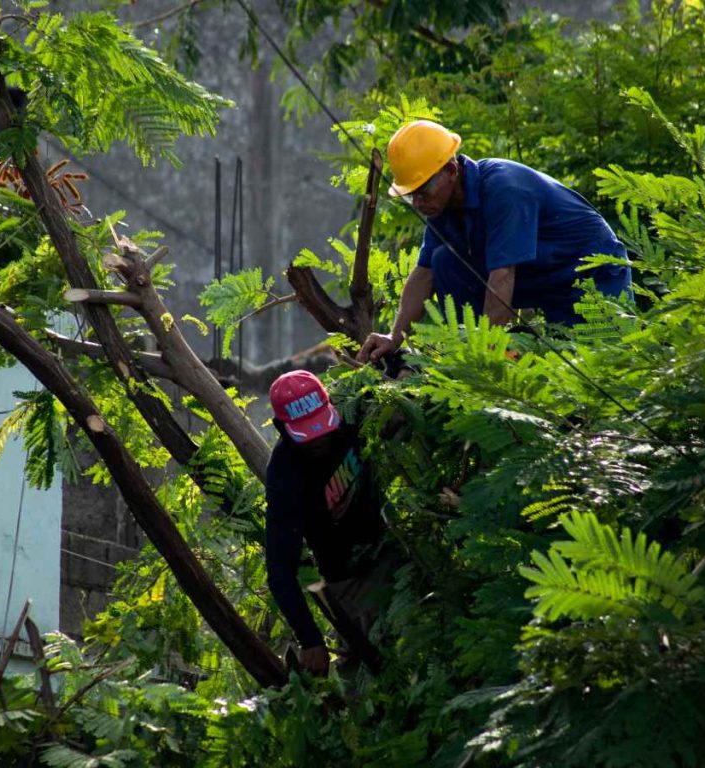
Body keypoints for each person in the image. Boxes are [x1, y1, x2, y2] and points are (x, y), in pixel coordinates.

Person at [358, 119, 632, 363]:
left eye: (423, 191)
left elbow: (502, 276)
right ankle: (483, 354)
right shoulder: (441, 205)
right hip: (542, 277)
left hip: (593, 276)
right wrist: (395, 337)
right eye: (410, 196)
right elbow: (424, 273)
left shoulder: (504, 189)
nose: (418, 203)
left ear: (451, 170)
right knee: (444, 261)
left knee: (605, 368)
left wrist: (486, 351)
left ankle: (489, 355)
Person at [265, 369, 389, 676]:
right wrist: (310, 639)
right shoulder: (284, 476)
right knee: (369, 670)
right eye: (308, 434)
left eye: (322, 426)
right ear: (283, 428)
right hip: (347, 579)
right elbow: (280, 568)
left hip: (391, 547)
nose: (319, 439)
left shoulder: (353, 410)